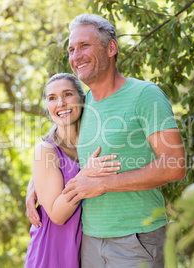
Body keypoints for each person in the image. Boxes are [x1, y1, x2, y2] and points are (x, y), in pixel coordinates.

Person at [26, 14, 186, 268]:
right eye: (71, 49)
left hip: (137, 239)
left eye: (84, 46)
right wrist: (35, 183)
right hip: (89, 242)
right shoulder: (82, 104)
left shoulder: (145, 95)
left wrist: (105, 184)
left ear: (111, 48)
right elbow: (55, 145)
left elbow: (175, 165)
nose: (76, 55)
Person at [25, 73, 121, 267]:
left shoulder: (96, 142)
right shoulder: (45, 150)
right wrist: (85, 174)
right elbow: (58, 216)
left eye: (67, 94)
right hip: (52, 251)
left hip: (89, 250)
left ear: (82, 99)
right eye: (52, 98)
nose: (60, 103)